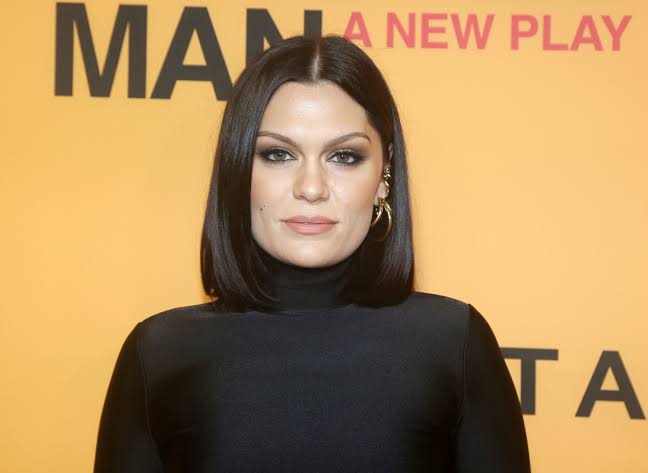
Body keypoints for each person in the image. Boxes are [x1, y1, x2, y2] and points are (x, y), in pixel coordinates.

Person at [93, 34, 531, 472]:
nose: (311, 187)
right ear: (238, 168)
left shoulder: (454, 344)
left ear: (384, 174)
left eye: (344, 156)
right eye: (278, 154)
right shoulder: (159, 354)